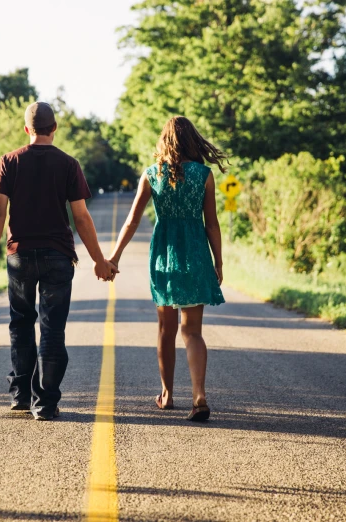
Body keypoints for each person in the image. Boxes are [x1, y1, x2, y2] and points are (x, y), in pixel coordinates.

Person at [0, 101, 118, 421]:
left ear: (27, 129)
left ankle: (20, 395)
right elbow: (81, 217)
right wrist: (99, 261)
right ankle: (45, 402)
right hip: (58, 256)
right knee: (52, 328)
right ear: (54, 129)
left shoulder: (9, 161)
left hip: (19, 256)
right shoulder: (69, 164)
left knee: (21, 322)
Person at [109, 116, 226, 422]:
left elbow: (132, 220)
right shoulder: (204, 175)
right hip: (197, 254)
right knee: (193, 332)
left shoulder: (152, 174)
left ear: (165, 140)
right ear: (192, 141)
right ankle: (199, 396)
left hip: (164, 256)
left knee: (166, 329)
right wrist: (219, 260)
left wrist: (115, 256)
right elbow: (211, 223)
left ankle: (167, 394)